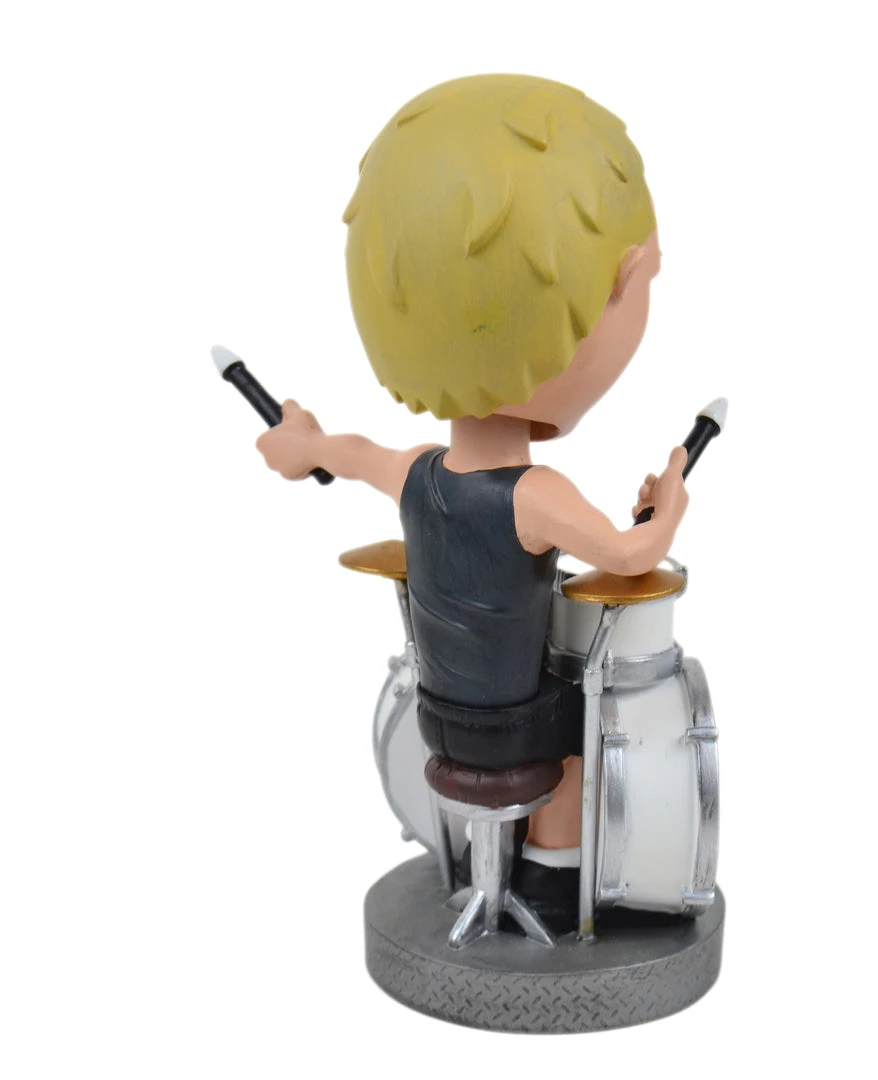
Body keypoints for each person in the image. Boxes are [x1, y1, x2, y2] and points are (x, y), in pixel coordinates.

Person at [256, 74, 688, 925]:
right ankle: (551, 878)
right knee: (588, 728)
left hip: (440, 720)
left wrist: (299, 444)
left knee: (548, 697)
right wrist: (669, 500)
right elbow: (632, 554)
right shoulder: (536, 494)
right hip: (509, 730)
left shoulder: (417, 470)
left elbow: (347, 454)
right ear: (617, 281)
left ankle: (485, 866)